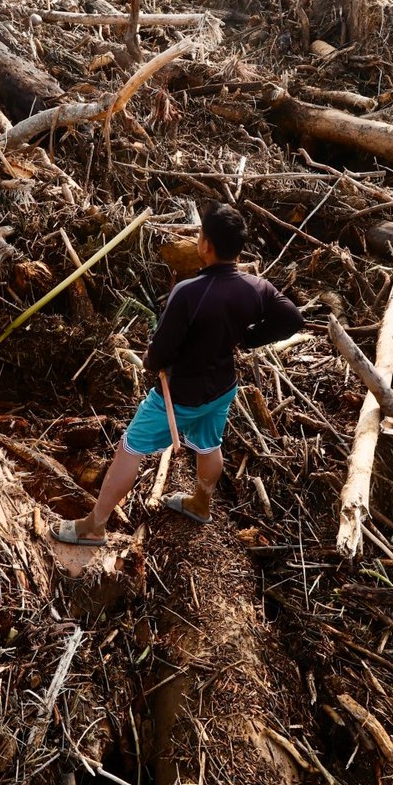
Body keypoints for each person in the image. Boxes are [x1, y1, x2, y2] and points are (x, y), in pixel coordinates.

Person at [53, 203, 303, 546]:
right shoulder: (255, 288)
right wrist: (247, 339)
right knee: (208, 443)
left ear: (206, 245)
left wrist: (151, 363)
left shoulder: (188, 292)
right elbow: (292, 319)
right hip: (221, 388)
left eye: (200, 235)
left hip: (179, 394)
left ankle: (94, 526)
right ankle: (201, 504)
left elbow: (161, 351)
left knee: (130, 448)